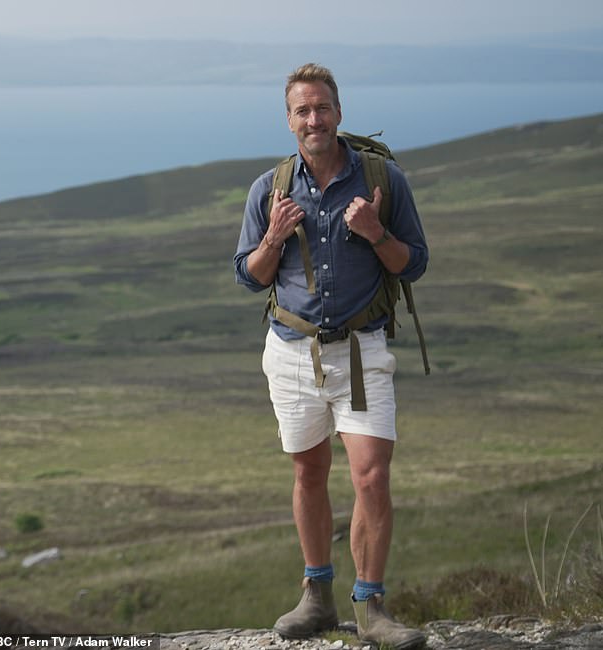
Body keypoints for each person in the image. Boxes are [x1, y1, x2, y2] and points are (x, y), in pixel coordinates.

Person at [233, 63, 428, 649]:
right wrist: (271, 238)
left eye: (322, 108)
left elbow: (412, 262)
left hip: (362, 353)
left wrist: (374, 231)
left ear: (338, 113)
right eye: (302, 111)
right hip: (290, 353)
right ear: (289, 120)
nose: (313, 119)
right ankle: (316, 597)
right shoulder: (269, 188)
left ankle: (371, 607)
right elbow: (248, 275)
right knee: (308, 472)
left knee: (371, 476)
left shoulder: (382, 180)